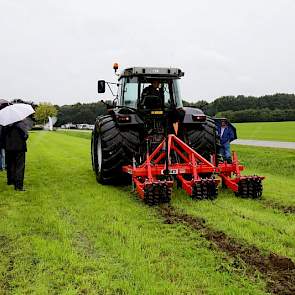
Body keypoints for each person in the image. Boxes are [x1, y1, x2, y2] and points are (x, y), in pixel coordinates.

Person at [4, 121, 29, 191]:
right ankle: (18, 186)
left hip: (8, 147)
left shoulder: (6, 123)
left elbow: (2, 135)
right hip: (19, 147)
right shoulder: (21, 123)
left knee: (11, 164)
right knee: (20, 166)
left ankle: (11, 181)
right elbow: (25, 135)